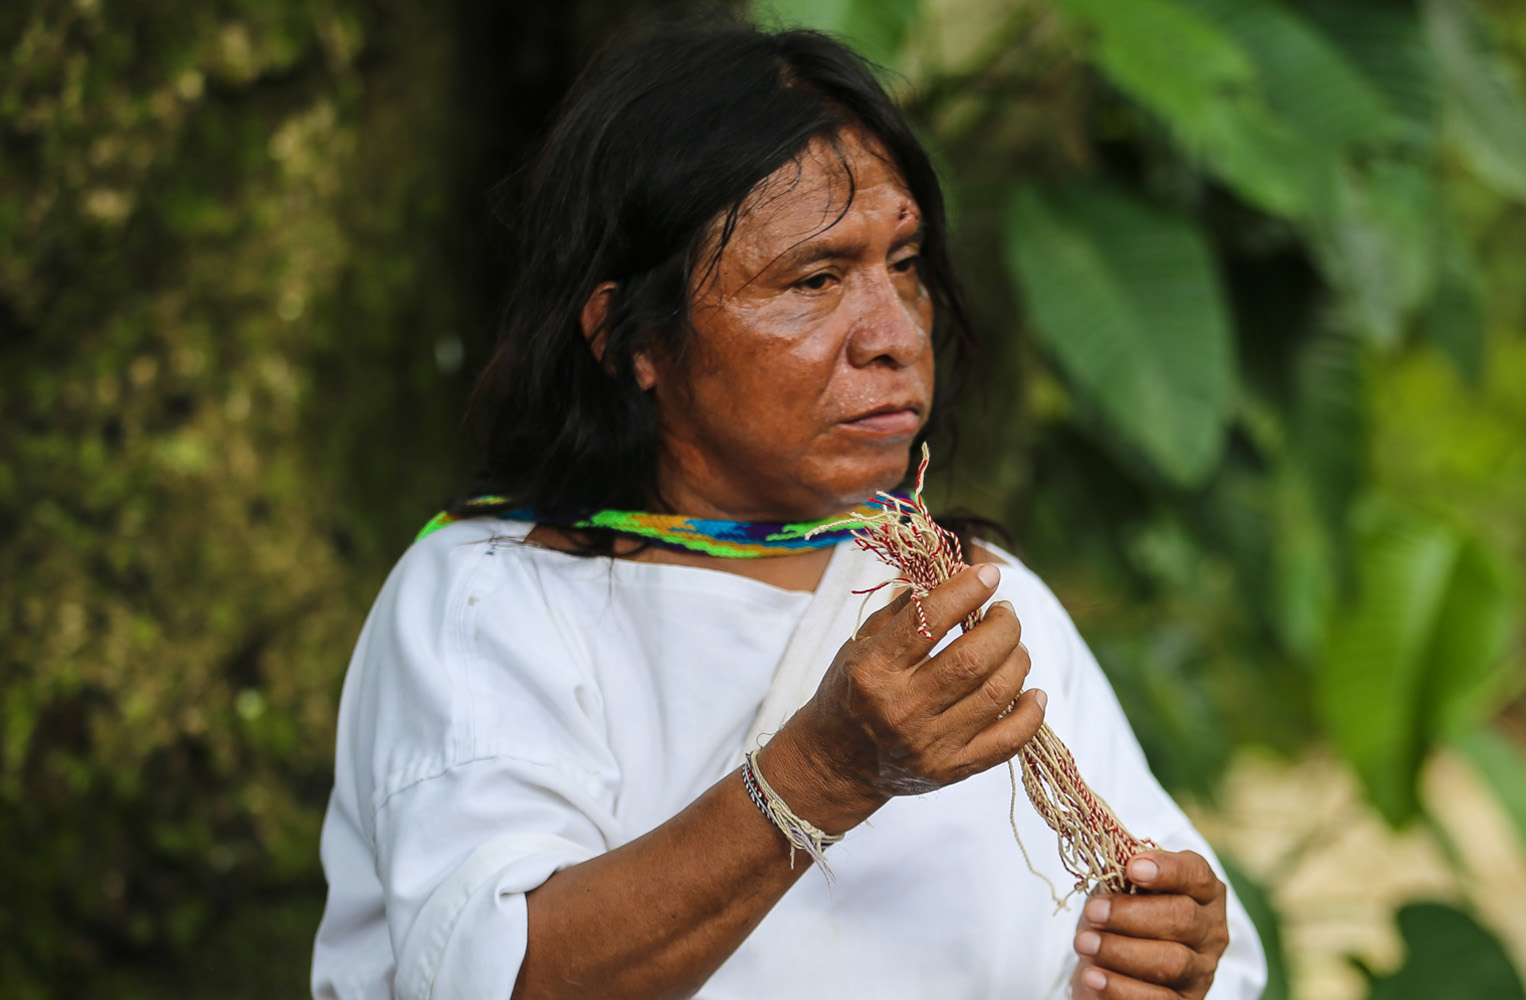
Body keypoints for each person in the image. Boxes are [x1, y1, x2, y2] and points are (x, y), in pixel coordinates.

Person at [311, 18, 1267, 1000]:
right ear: (629, 339)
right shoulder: (490, 601)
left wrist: (1172, 960)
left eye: (903, 263)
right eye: (814, 279)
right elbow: (487, 978)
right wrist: (825, 770)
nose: (895, 334)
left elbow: (1199, 954)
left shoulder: (981, 599)